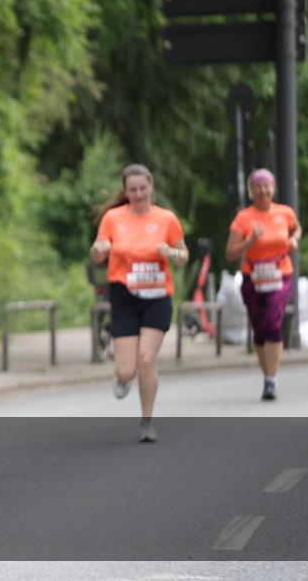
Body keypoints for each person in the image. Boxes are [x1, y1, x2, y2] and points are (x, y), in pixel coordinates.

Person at [90, 164, 187, 442]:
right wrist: (99, 249)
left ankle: (146, 421)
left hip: (157, 296)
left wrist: (171, 253)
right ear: (125, 191)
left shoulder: (166, 219)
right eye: (132, 190)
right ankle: (121, 377)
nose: (138, 194)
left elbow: (183, 255)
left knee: (147, 359)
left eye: (143, 188)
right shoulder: (113, 218)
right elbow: (97, 253)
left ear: (151, 187)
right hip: (125, 296)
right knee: (127, 369)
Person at [225, 169, 302, 400]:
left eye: (267, 185)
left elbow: (296, 227)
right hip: (253, 276)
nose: (263, 190)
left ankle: (271, 380)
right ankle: (267, 375)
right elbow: (230, 252)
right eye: (258, 186)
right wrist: (249, 241)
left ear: (273, 188)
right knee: (259, 329)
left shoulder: (284, 212)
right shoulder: (243, 217)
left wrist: (294, 239)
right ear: (251, 190)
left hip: (281, 274)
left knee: (272, 322)